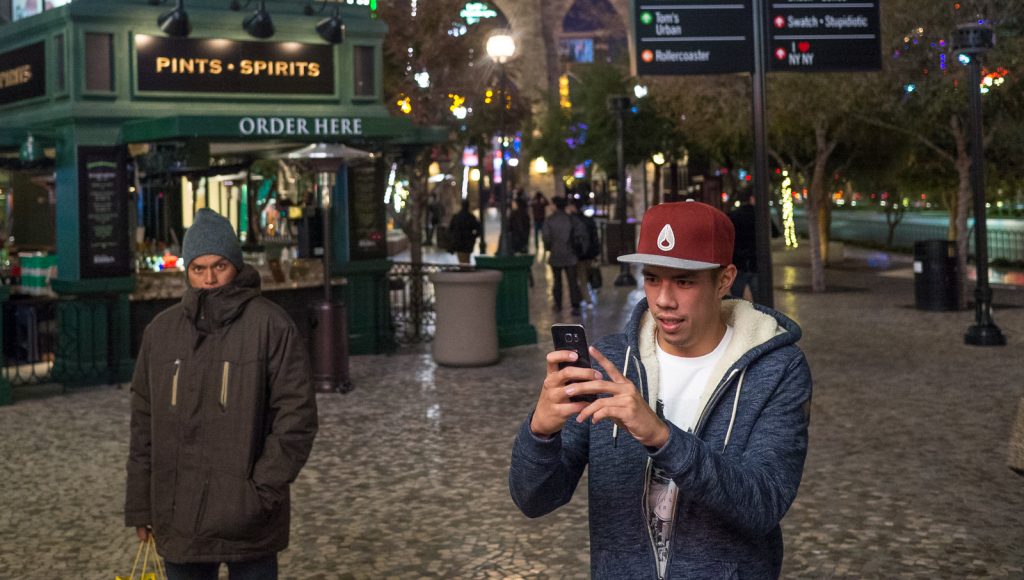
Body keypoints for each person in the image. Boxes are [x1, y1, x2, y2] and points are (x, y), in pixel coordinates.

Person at [510, 201, 812, 579]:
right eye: (652, 278)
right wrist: (540, 432)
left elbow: (763, 503)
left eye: (684, 281)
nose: (664, 300)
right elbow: (534, 499)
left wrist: (660, 436)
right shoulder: (609, 362)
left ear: (724, 279)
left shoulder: (777, 369)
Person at [125, 208, 318, 580]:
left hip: (249, 520)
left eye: (219, 266)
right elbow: (143, 426)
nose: (210, 279)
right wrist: (141, 505)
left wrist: (259, 493)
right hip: (180, 517)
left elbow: (297, 419)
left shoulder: (271, 325)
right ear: (187, 271)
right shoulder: (160, 333)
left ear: (236, 266)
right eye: (198, 268)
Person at [729, 190, 778, 301]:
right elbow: (775, 233)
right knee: (760, 302)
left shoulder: (733, 215)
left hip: (738, 262)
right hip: (756, 262)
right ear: (752, 198)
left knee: (736, 301)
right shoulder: (761, 216)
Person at [541, 196, 584, 315]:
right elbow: (579, 235)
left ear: (555, 205)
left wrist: (549, 247)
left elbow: (546, 238)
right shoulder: (571, 220)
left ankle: (558, 303)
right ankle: (575, 305)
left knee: (557, 281)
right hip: (570, 254)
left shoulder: (549, 220)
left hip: (556, 255)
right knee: (572, 281)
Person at [569, 199, 601, 308]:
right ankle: (594, 289)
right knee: (590, 273)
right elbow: (595, 238)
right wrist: (596, 252)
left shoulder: (573, 221)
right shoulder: (589, 220)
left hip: (581, 254)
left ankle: (588, 300)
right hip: (591, 253)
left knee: (582, 278)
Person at [448, 199, 481, 264]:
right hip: (468, 243)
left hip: (459, 243)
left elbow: (450, 229)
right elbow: (478, 229)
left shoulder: (457, 217)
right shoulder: (471, 217)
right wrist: (473, 237)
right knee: (466, 261)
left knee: (462, 261)